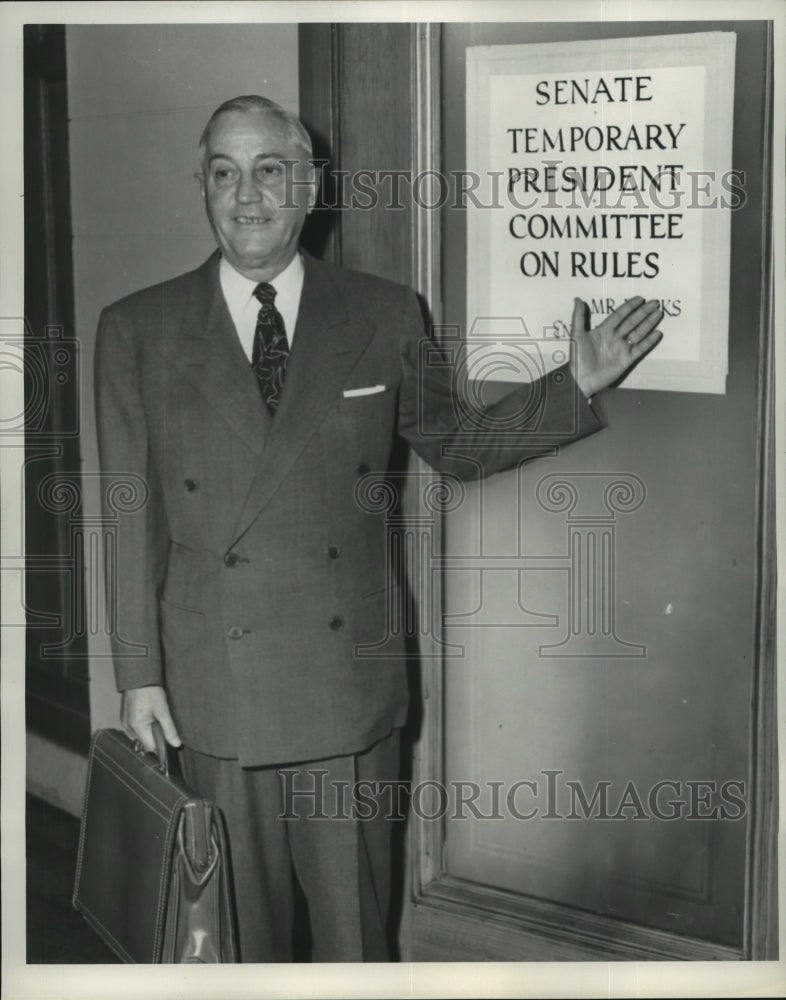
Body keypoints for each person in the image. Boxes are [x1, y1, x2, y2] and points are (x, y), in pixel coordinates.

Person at [94, 95, 663, 963]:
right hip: (212, 692)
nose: (247, 196)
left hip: (345, 693)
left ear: (308, 185)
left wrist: (572, 385)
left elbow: (458, 445)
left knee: (353, 944)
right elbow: (129, 514)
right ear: (201, 186)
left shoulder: (384, 311)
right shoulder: (137, 329)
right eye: (224, 173)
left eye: (269, 170)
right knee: (231, 946)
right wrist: (138, 676)